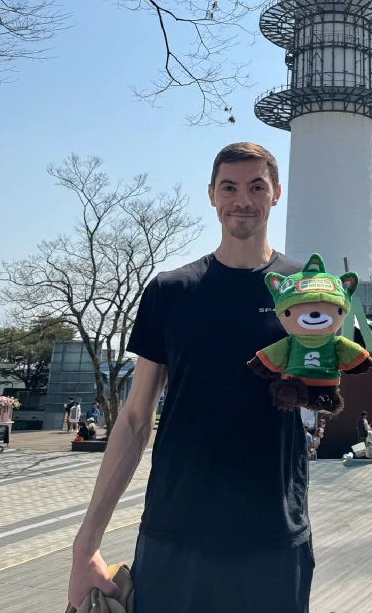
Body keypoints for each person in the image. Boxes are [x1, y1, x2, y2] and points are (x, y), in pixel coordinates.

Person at [68, 142, 313, 613]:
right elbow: (136, 420)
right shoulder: (170, 290)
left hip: (274, 533)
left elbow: (327, 384)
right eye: (230, 187)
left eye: (256, 186)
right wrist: (86, 546)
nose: (242, 199)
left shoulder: (302, 288)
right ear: (212, 195)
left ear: (276, 193)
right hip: (174, 531)